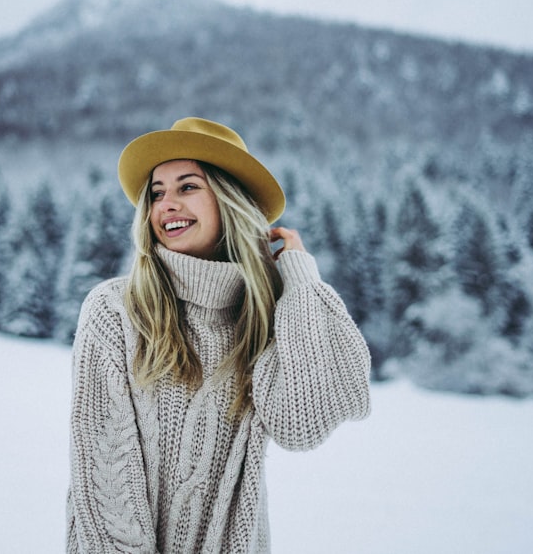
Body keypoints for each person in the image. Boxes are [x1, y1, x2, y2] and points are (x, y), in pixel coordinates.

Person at [67, 117, 372, 553]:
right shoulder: (115, 310)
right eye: (157, 193)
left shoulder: (262, 319)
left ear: (230, 201)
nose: (166, 204)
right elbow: (105, 481)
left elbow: (304, 425)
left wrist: (299, 280)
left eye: (188, 187)